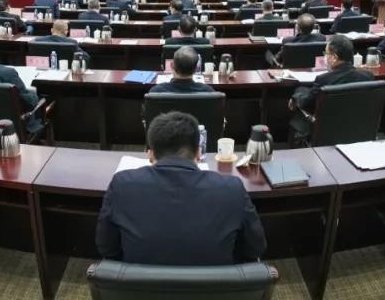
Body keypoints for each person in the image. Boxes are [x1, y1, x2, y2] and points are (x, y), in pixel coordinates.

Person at [96, 111, 265, 265]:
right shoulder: (232, 188)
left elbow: (106, 248)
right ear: (198, 153)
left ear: (151, 154)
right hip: (215, 286)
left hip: (139, 286)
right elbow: (255, 248)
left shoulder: (121, 184)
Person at [288, 34, 374, 143]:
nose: (325, 57)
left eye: (326, 53)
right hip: (359, 131)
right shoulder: (368, 76)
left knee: (301, 91)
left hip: (328, 134)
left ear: (334, 57)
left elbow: (305, 104)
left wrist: (296, 95)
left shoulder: (323, 79)